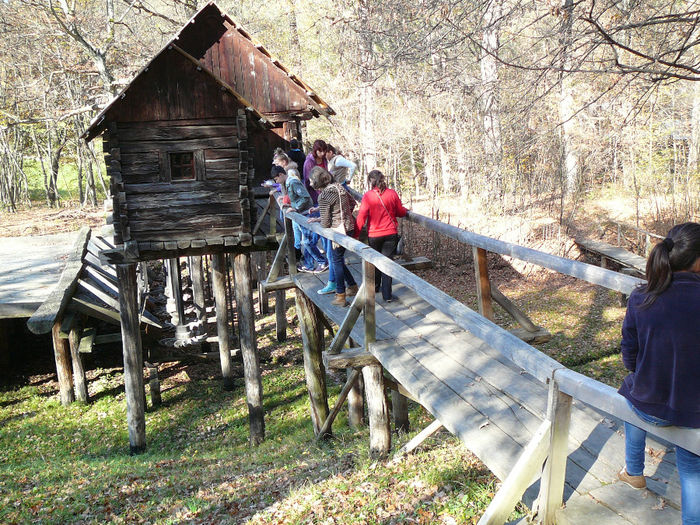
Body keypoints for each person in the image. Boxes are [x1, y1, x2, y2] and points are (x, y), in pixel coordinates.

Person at [618, 222, 700, 525]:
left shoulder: (642, 296)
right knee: (692, 468)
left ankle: (634, 472)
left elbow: (630, 355)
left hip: (649, 406)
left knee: (629, 390)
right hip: (693, 413)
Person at [354, 170, 408, 302]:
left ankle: (376, 287)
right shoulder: (392, 193)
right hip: (390, 234)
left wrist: (355, 235)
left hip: (374, 235)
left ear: (370, 181)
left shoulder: (368, 196)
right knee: (387, 262)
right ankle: (387, 295)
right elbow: (400, 212)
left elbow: (361, 217)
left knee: (375, 261)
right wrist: (406, 210)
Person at [308, 166, 358, 306]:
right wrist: (345, 215)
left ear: (317, 182)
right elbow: (352, 203)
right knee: (338, 259)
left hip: (338, 232)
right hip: (349, 227)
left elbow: (325, 223)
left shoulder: (323, 195)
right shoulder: (339, 187)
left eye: (311, 180)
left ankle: (340, 296)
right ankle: (352, 286)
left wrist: (317, 219)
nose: (310, 183)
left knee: (336, 261)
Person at [272, 153, 327, 273]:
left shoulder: (292, 181)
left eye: (276, 179)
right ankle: (309, 263)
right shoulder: (286, 182)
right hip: (299, 214)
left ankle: (322, 261)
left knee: (307, 241)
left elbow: (306, 198)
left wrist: (295, 207)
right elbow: (294, 197)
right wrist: (290, 204)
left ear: (281, 175)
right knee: (304, 241)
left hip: (306, 213)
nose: (276, 181)